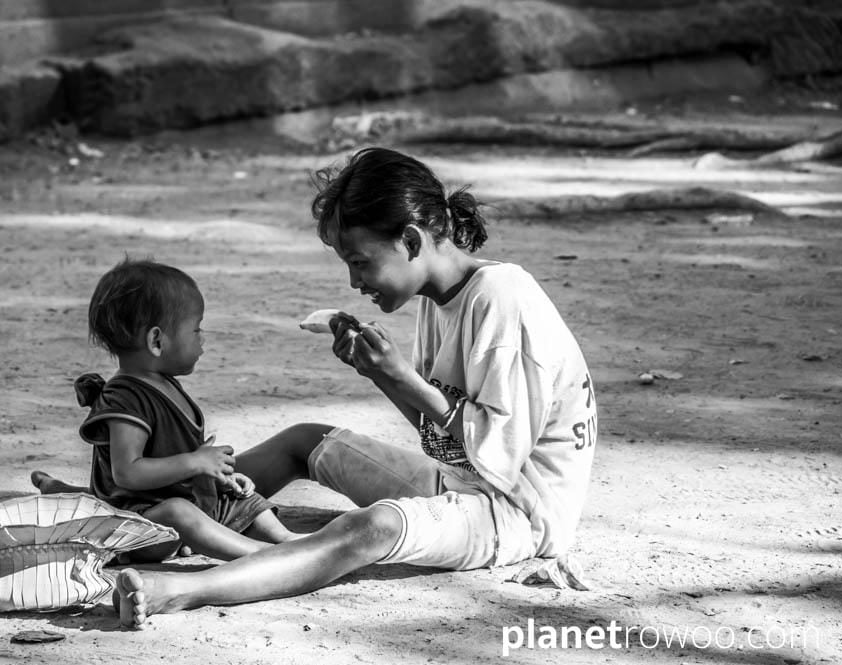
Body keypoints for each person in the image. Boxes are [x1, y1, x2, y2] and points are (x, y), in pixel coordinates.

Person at [111, 147, 598, 629]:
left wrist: (401, 376)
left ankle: (182, 591)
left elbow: (496, 457)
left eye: (361, 262)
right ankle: (141, 514)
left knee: (373, 527)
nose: (353, 280)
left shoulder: (501, 299)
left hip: (515, 513)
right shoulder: (440, 300)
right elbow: (446, 443)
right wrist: (382, 375)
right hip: (467, 479)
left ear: (410, 239)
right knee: (306, 441)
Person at [46, 258, 304, 562]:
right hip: (140, 527)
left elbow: (173, 460)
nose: (202, 337)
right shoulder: (126, 397)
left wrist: (216, 475)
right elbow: (127, 472)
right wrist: (195, 462)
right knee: (177, 512)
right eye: (196, 329)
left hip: (186, 501)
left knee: (237, 497)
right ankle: (261, 555)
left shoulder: (164, 384)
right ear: (157, 340)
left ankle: (288, 540)